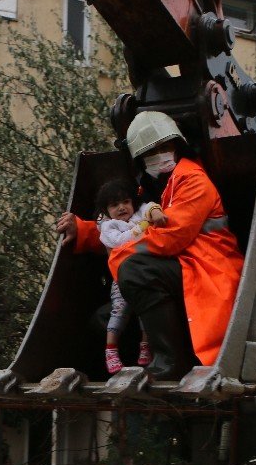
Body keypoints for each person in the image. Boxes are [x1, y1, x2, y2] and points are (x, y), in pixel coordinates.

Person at [56, 111, 244, 379]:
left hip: (207, 269)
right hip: (183, 268)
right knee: (103, 319)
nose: (159, 155)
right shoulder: (155, 188)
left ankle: (170, 365)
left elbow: (169, 237)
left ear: (177, 146)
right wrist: (84, 231)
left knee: (135, 271)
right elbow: (130, 229)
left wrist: (120, 258)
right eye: (151, 152)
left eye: (164, 147)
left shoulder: (193, 181)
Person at [94, 178, 165, 374]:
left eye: (126, 202)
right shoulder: (109, 227)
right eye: (114, 205)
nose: (122, 207)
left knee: (146, 308)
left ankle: (145, 345)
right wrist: (143, 226)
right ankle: (111, 350)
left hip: (142, 274)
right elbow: (121, 242)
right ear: (106, 211)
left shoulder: (137, 215)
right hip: (121, 278)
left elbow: (148, 206)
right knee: (120, 311)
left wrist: (154, 211)